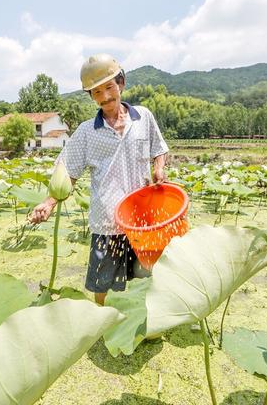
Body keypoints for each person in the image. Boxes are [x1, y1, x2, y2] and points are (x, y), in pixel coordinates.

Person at [29, 53, 169, 305]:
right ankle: (102, 320)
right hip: (107, 221)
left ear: (121, 83)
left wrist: (159, 168)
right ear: (90, 96)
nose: (104, 97)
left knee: (145, 278)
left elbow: (159, 149)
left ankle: (142, 321)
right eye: (96, 92)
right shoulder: (85, 132)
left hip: (142, 219)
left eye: (109, 87)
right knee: (102, 283)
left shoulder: (144, 117)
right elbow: (68, 172)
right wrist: (48, 203)